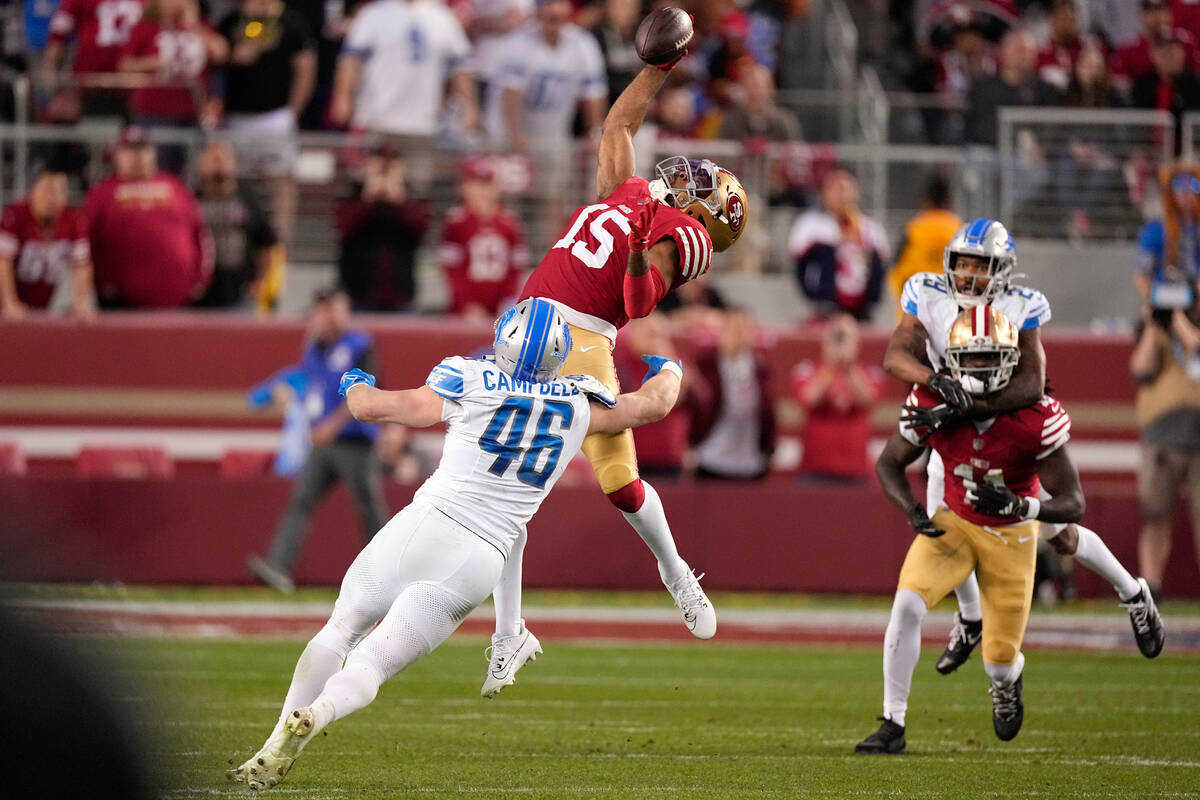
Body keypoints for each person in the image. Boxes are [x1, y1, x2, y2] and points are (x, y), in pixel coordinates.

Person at [225, 298, 685, 790]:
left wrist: (354, 383)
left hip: (425, 525)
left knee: (340, 630)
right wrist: (669, 367)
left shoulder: (469, 377)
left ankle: (277, 739)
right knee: (374, 663)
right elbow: (653, 404)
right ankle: (320, 713)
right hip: (479, 558)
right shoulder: (578, 404)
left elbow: (372, 408)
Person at [483, 46, 751, 697]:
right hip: (526, 329)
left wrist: (635, 254)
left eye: (704, 189)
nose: (690, 179)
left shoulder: (682, 241)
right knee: (501, 494)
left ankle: (676, 573)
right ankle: (508, 633)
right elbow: (618, 126)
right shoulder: (631, 191)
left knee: (619, 485)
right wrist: (658, 68)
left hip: (580, 340)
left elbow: (634, 305)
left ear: (706, 217)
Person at [884, 218, 1164, 673]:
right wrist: (935, 382)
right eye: (963, 265)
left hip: (1009, 426)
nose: (970, 276)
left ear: (1002, 271)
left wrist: (958, 407)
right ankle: (971, 619)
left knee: (1060, 533)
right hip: (953, 433)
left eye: (981, 266)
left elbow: (1032, 385)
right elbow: (895, 357)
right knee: (943, 530)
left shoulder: (1020, 305)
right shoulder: (928, 294)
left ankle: (1133, 592)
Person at [859, 305, 1086, 754]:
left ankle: (1007, 679)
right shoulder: (935, 402)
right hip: (955, 523)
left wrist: (1024, 504)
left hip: (1013, 535)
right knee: (906, 605)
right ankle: (892, 722)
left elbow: (1073, 503)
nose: (979, 366)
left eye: (988, 357)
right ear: (953, 358)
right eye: (971, 356)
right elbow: (888, 463)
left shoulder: (1034, 415)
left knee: (999, 662)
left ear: (1009, 359)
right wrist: (910, 507)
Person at [245, 286, 388, 593]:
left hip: (355, 442)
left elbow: (365, 393)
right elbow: (311, 389)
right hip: (323, 442)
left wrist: (330, 426)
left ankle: (388, 574)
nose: (326, 315)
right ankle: (279, 566)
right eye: (322, 309)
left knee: (369, 509)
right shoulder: (313, 348)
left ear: (344, 309)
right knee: (301, 501)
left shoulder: (359, 345)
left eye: (332, 308)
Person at [217, 0, 316, 247]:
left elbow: (305, 67)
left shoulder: (292, 23)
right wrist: (233, 53)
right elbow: (219, 56)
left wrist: (293, 111)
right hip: (236, 116)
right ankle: (241, 241)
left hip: (275, 115)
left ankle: (280, 245)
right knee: (236, 180)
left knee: (281, 180)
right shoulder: (232, 21)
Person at [84, 126, 213, 308]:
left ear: (153, 153)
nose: (138, 157)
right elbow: (83, 240)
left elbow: (200, 233)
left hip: (180, 303)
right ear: (117, 155)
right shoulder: (102, 193)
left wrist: (201, 279)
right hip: (122, 303)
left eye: (143, 150)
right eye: (130, 151)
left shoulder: (175, 186)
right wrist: (103, 282)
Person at [329, 0, 477, 150]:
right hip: (377, 117)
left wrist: (469, 104)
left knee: (419, 172)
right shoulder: (374, 14)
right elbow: (351, 59)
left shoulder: (441, 16)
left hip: (425, 121)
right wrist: (343, 96)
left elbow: (460, 65)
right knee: (374, 171)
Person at [1129, 287, 1200, 599]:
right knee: (1155, 514)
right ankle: (1151, 586)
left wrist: (1180, 321)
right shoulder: (1156, 329)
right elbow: (1140, 368)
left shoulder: (1188, 327)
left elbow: (1196, 348)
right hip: (1162, 437)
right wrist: (1155, 325)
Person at [335, 143, 430, 312]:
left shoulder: (412, 197)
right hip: (359, 295)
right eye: (378, 166)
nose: (384, 173)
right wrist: (367, 199)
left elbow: (421, 229)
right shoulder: (353, 195)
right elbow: (343, 228)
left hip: (401, 296)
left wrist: (400, 200)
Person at [789, 165, 889, 321]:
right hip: (823, 310)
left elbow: (880, 268)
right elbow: (800, 266)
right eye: (835, 188)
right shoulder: (810, 224)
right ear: (824, 192)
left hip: (862, 312)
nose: (842, 194)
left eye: (846, 187)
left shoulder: (871, 228)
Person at [792, 313, 882, 482]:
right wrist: (830, 367)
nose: (840, 342)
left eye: (845, 337)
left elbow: (868, 399)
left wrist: (849, 368)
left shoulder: (869, 372)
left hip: (855, 470)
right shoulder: (808, 369)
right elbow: (809, 398)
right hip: (814, 469)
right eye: (836, 336)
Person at [691, 307, 776, 481]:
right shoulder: (706, 365)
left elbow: (768, 411)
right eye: (732, 328)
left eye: (743, 329)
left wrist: (768, 450)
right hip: (712, 456)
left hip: (750, 461)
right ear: (721, 331)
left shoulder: (760, 368)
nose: (738, 335)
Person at [0, 166, 95, 320]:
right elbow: (3, 261)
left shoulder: (73, 220)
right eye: (47, 191)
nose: (53, 198)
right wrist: (9, 302)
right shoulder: (15, 215)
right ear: (32, 192)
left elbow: (82, 264)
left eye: (60, 191)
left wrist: (81, 301)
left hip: (40, 305)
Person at [118, 0, 227, 134]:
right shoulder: (145, 27)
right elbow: (124, 64)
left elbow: (221, 54)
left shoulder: (201, 26)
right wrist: (150, 63)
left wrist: (193, 25)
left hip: (194, 110)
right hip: (154, 110)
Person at [439, 155, 528, 320]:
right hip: (464, 312)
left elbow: (515, 271)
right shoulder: (457, 222)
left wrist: (507, 304)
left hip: (501, 308)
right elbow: (452, 271)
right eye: (476, 185)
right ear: (465, 187)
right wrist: (467, 305)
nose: (482, 192)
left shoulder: (509, 224)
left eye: (486, 185)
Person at [193, 140, 278, 309]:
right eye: (213, 160)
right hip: (200, 293)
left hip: (240, 289)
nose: (219, 165)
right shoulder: (190, 199)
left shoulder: (249, 197)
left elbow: (265, 244)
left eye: (223, 159)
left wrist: (260, 282)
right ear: (200, 165)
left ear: (234, 162)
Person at [44, 0, 145, 119]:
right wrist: (49, 69)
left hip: (136, 82)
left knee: (139, 133)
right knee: (96, 130)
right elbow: (59, 34)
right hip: (92, 80)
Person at [965, 30, 1061, 147]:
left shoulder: (1045, 90)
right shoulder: (983, 88)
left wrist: (1039, 145)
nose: (1026, 56)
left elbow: (1051, 128)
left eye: (1030, 51)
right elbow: (976, 127)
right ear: (1004, 52)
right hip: (988, 152)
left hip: (1028, 154)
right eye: (1020, 50)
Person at [885, 175, 961, 318]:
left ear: (924, 201)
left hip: (915, 314)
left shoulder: (913, 229)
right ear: (950, 202)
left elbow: (895, 270)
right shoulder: (961, 230)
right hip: (951, 315)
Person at [1135, 165, 1200, 301]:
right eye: (1180, 186)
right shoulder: (1155, 230)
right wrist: (1151, 298)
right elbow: (1142, 275)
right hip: (1167, 298)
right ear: (1171, 193)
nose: (1187, 193)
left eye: (1194, 186)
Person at [1132, 23, 1200, 150]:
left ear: (1182, 53)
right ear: (1152, 54)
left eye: (1172, 50)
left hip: (1188, 155)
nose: (1168, 56)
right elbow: (1136, 126)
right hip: (1149, 153)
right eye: (1162, 51)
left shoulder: (1194, 85)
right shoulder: (1142, 85)